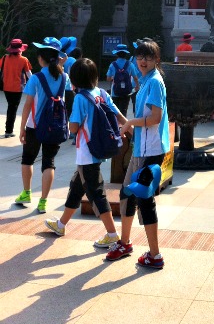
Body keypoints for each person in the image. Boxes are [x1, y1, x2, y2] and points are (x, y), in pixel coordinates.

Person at [44, 57, 127, 246]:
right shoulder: (101, 93)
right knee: (76, 189)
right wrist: (130, 130)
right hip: (96, 150)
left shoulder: (80, 98)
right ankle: (61, 224)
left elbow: (73, 127)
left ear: (74, 80)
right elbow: (117, 114)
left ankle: (112, 234)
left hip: (87, 154)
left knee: (97, 194)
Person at [106, 39, 169, 269]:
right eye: (140, 57)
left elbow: (155, 118)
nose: (143, 61)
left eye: (148, 57)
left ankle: (155, 255)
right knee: (126, 194)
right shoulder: (145, 81)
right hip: (141, 148)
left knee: (144, 200)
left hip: (151, 151)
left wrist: (130, 122)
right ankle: (125, 243)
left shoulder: (154, 82)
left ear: (156, 59)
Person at [15, 37, 67, 214]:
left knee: (27, 159)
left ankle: (26, 193)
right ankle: (43, 201)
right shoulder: (64, 77)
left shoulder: (36, 78)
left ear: (40, 58)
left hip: (34, 126)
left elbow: (27, 105)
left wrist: (21, 128)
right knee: (49, 162)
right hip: (56, 125)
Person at [1, 38, 32, 138]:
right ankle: (8, 131)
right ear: (20, 50)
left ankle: (8, 130)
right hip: (18, 88)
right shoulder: (24, 60)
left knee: (11, 107)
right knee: (13, 109)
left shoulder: (4, 58)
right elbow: (29, 74)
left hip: (6, 87)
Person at [106, 43, 138, 117]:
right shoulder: (130, 64)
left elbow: (108, 79)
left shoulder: (113, 64)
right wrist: (137, 86)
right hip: (127, 92)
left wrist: (114, 78)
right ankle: (123, 124)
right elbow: (135, 77)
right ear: (126, 54)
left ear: (117, 54)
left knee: (115, 112)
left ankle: (116, 124)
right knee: (123, 111)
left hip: (115, 92)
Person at [60, 36, 78, 118]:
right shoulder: (72, 60)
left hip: (58, 89)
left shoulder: (55, 58)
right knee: (69, 113)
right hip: (69, 89)